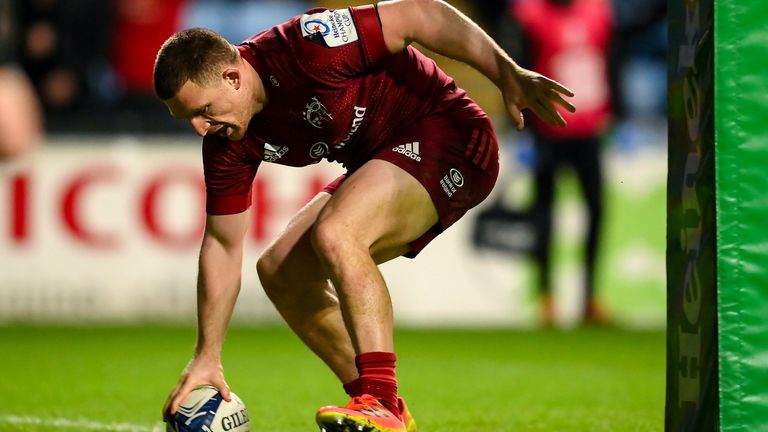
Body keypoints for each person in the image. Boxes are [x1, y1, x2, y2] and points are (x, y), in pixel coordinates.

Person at [153, 1, 574, 431]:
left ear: (233, 76)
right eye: (188, 118)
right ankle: (382, 409)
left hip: (449, 134)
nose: (200, 128)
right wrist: (208, 355)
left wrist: (507, 73)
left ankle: (380, 400)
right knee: (281, 270)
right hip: (383, 158)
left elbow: (420, 14)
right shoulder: (226, 143)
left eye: (203, 110)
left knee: (339, 231)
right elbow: (222, 245)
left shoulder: (307, 46)